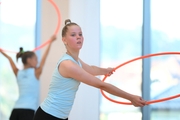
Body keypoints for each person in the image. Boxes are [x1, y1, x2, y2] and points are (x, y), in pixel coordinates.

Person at [33, 19, 146, 120]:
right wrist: (130, 97)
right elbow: (101, 85)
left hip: (60, 116)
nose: (78, 37)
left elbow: (91, 69)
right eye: (73, 35)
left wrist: (105, 70)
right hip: (48, 116)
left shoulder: (75, 60)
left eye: (80, 34)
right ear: (64, 40)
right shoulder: (68, 64)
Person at [0, 35, 56, 120]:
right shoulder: (36, 72)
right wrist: (51, 42)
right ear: (29, 60)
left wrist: (2, 52)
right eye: (35, 59)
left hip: (16, 110)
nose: (37, 61)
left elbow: (9, 58)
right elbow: (44, 58)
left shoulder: (18, 72)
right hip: (28, 111)